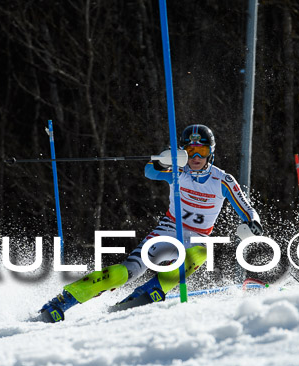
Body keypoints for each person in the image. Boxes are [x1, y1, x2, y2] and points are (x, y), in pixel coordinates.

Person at [39, 124, 263, 322]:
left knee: (201, 253)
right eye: (190, 151)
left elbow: (246, 208)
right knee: (125, 272)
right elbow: (149, 171)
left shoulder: (222, 179)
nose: (196, 157)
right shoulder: (177, 171)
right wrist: (165, 157)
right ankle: (64, 299)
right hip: (167, 229)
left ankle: (153, 289)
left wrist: (253, 223)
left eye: (202, 151)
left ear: (211, 153)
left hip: (196, 236)